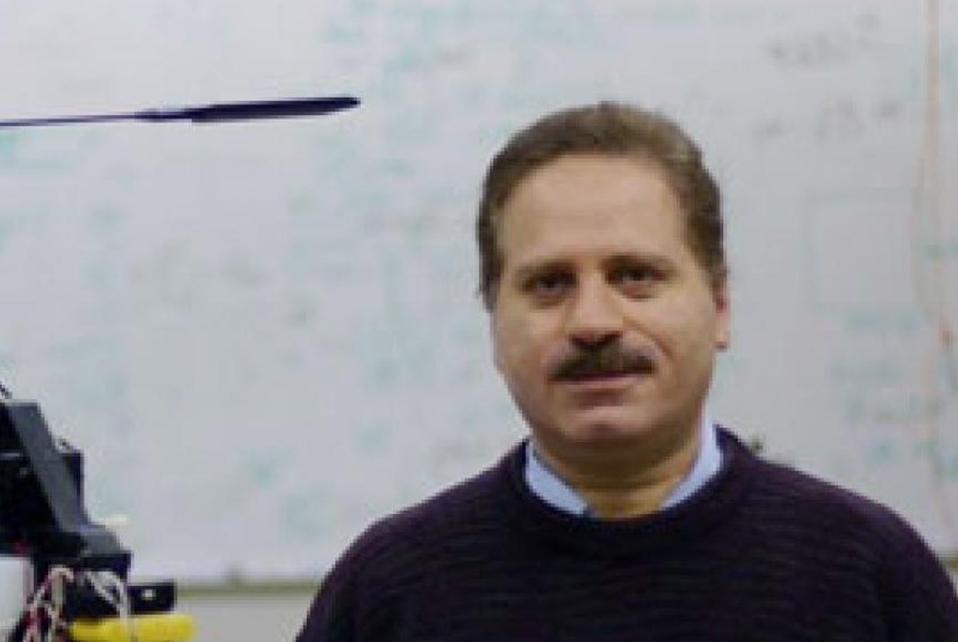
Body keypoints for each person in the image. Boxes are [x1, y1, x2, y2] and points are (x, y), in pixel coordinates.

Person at [296, 102, 958, 641]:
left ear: (720, 306)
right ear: (494, 320)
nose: (593, 322)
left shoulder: (870, 573)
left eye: (635, 275)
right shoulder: (389, 591)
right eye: (549, 283)